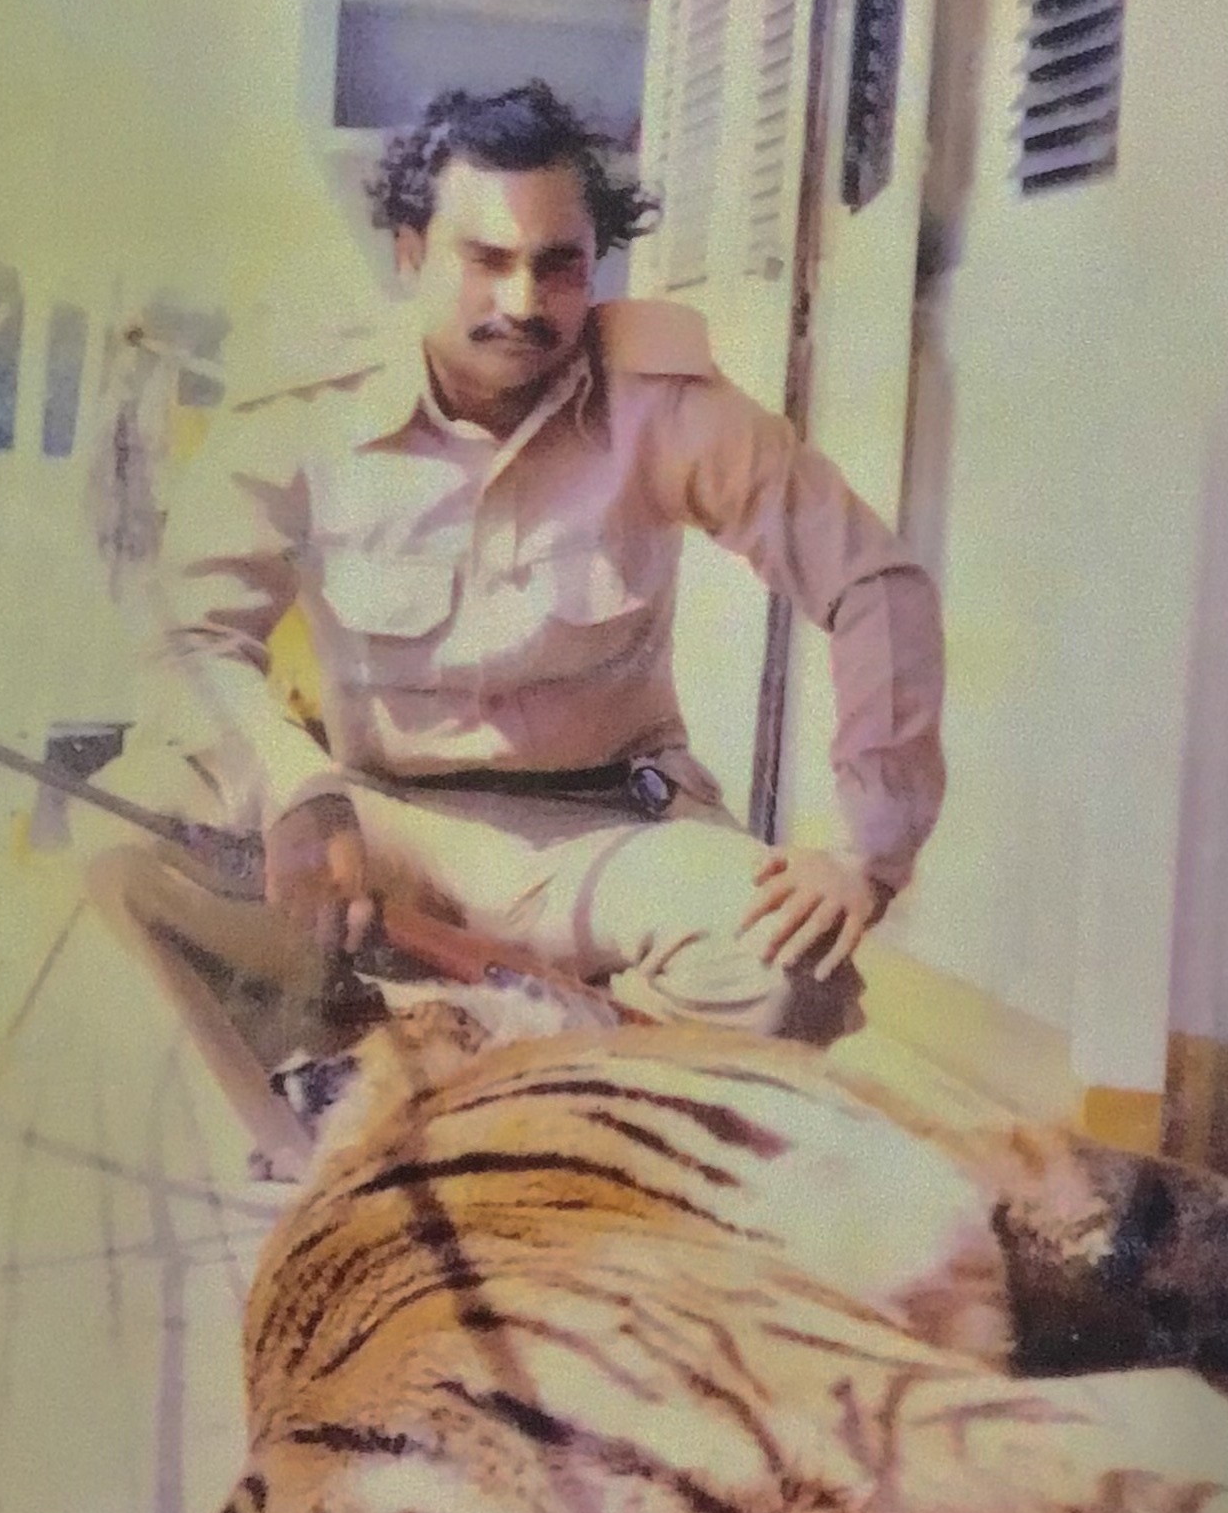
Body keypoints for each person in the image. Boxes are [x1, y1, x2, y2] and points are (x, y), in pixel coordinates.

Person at [92, 81, 946, 1177]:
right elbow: (187, 634)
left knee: (788, 965)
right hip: (379, 829)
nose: (522, 301)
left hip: (608, 830)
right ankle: (329, 1122)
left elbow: (874, 584)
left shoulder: (661, 406)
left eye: (558, 265)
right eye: (485, 259)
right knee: (127, 834)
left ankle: (459, 1074)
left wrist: (867, 851)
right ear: (410, 254)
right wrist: (295, 786)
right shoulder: (309, 410)